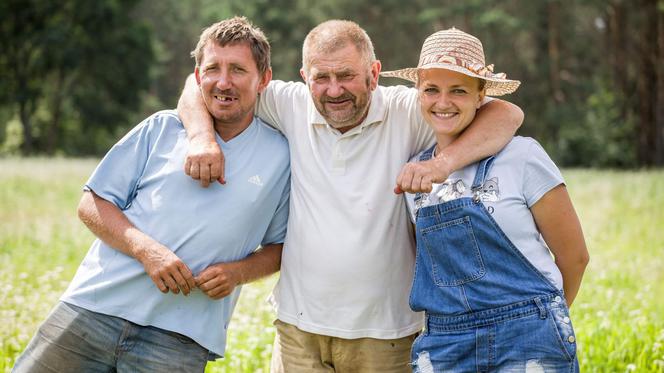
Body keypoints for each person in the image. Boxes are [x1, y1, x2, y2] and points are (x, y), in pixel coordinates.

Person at [178, 20, 524, 372]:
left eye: (346, 76)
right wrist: (201, 137)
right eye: (321, 78)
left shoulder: (408, 110)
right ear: (304, 76)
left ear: (374, 73)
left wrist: (442, 164)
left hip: (387, 334)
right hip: (299, 329)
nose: (333, 90)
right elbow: (197, 84)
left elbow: (507, 113)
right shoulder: (290, 104)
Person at [12, 16, 290, 372]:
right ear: (197, 75)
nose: (223, 81)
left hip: (179, 337)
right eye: (213, 69)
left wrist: (237, 273)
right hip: (93, 308)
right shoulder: (162, 127)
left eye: (238, 69)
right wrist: (148, 251)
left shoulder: (280, 155)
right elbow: (92, 202)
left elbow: (281, 246)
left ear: (264, 79)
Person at [381, 28, 590, 371]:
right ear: (418, 92)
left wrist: (541, 318)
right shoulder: (416, 174)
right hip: (446, 343)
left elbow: (575, 257)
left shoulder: (522, 156)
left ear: (482, 97)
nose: (443, 102)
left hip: (527, 337)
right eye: (431, 89)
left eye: (459, 91)